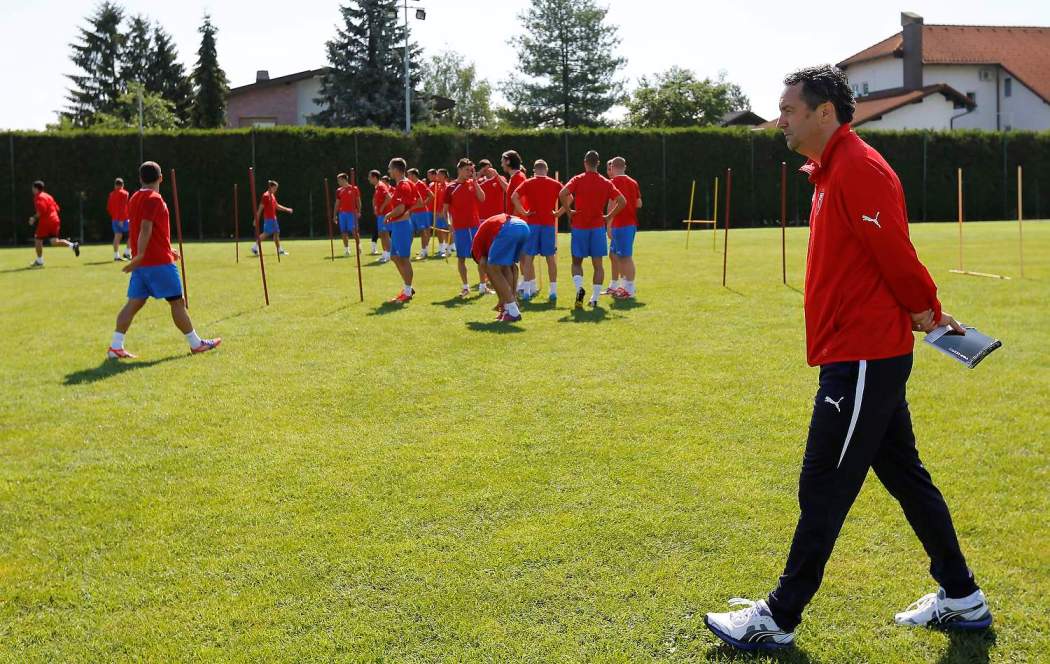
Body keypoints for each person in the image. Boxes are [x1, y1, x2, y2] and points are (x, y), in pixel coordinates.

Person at [703, 65, 990, 653]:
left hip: (864, 356)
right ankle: (963, 598)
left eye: (788, 109)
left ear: (823, 111)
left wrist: (928, 312)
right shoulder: (829, 171)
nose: (779, 119)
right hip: (855, 352)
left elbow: (895, 251)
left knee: (824, 482)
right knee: (906, 478)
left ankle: (778, 616)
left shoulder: (858, 169)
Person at [106, 161, 220, 359]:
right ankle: (196, 344)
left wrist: (163, 249)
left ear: (141, 178)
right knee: (177, 302)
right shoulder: (155, 198)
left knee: (133, 304)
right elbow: (146, 228)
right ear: (161, 178)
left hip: (144, 264)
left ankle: (116, 346)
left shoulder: (133, 198)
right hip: (157, 263)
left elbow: (144, 230)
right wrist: (142, 254)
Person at [559, 151, 624, 308]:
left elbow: (562, 193)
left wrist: (568, 211)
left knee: (576, 262)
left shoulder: (578, 179)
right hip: (597, 228)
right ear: (598, 163)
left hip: (580, 226)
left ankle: (579, 290)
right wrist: (608, 216)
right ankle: (594, 298)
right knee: (598, 265)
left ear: (585, 162)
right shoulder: (606, 182)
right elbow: (622, 201)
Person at [511, 159, 563, 302]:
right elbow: (569, 197)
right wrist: (559, 212)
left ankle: (527, 291)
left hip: (532, 224)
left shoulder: (528, 182)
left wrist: (524, 211)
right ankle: (553, 291)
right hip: (548, 224)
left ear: (534, 170)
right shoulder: (554, 183)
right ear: (546, 169)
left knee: (528, 257)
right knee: (550, 258)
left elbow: (513, 197)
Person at [471, 213, 530, 322]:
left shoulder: (476, 248)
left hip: (508, 228)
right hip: (523, 227)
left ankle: (512, 310)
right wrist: (506, 298)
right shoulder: (487, 238)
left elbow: (484, 263)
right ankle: (509, 307)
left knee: (491, 267)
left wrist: (503, 298)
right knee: (508, 266)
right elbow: (510, 268)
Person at [443, 158, 488, 298]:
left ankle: (483, 286)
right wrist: (449, 224)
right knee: (461, 258)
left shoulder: (473, 184)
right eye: (467, 170)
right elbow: (445, 211)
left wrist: (475, 182)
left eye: (471, 170)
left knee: (481, 257)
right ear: (459, 170)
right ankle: (465, 287)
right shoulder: (450, 188)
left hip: (475, 227)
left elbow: (482, 198)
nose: (470, 173)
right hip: (460, 228)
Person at [605, 157, 642, 299]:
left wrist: (608, 224)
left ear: (612, 167)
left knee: (625, 257)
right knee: (618, 256)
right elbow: (639, 203)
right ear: (625, 167)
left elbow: (610, 205)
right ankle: (624, 286)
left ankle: (630, 289)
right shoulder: (633, 182)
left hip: (620, 224)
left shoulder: (612, 183)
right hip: (630, 223)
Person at [384, 158, 418, 303]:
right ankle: (407, 288)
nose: (389, 171)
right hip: (400, 225)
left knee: (404, 258)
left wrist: (389, 214)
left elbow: (400, 208)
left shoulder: (403, 185)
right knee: (394, 256)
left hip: (402, 226)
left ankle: (408, 291)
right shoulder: (408, 183)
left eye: (390, 168)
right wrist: (409, 211)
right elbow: (419, 202)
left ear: (396, 170)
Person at [27, 181, 79, 267]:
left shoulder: (38, 197)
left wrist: (33, 218)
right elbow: (57, 208)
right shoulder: (48, 196)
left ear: (36, 188)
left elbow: (42, 210)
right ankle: (72, 245)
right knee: (54, 241)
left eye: (33, 188)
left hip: (46, 221)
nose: (32, 190)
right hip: (55, 219)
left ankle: (39, 261)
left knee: (38, 240)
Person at [252, 180, 292, 257]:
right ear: (271, 187)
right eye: (275, 188)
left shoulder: (272, 195)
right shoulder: (266, 196)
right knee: (266, 233)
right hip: (268, 219)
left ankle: (279, 250)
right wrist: (256, 219)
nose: (276, 190)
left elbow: (276, 206)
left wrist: (287, 209)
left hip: (274, 218)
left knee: (277, 233)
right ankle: (255, 247)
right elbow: (260, 208)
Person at [407, 168, 435, 260]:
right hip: (414, 212)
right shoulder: (411, 185)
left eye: (409, 175)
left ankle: (424, 252)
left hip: (421, 213)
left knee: (423, 232)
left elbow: (431, 195)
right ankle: (421, 251)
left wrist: (423, 204)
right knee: (412, 232)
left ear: (413, 175)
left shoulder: (420, 184)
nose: (407, 177)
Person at [333, 172, 361, 257]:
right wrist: (334, 215)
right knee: (343, 232)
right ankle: (346, 249)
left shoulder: (354, 188)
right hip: (342, 214)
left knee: (353, 230)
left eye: (339, 180)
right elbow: (337, 203)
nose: (338, 182)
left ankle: (358, 247)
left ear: (344, 179)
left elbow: (358, 201)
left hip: (352, 213)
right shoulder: (339, 190)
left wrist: (359, 211)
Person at [369, 171, 393, 262]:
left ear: (374, 177)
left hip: (384, 214)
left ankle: (388, 255)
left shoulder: (381, 186)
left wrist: (382, 207)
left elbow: (389, 197)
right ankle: (385, 254)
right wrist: (376, 208)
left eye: (370, 177)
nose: (369, 179)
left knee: (385, 234)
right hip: (380, 214)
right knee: (382, 234)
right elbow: (376, 199)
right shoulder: (377, 187)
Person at [107, 177, 131, 261]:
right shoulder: (125, 193)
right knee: (132, 234)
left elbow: (109, 208)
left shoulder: (111, 194)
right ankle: (127, 253)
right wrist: (121, 219)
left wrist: (114, 217)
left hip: (114, 219)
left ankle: (116, 256)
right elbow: (123, 207)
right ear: (122, 185)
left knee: (117, 236)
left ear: (115, 185)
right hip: (123, 218)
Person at [430, 168, 452, 257]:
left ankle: (447, 249)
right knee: (438, 230)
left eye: (439, 174)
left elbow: (448, 200)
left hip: (445, 212)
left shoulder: (448, 186)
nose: (437, 176)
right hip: (437, 211)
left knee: (445, 230)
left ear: (443, 175)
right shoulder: (437, 186)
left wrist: (444, 211)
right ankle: (441, 248)